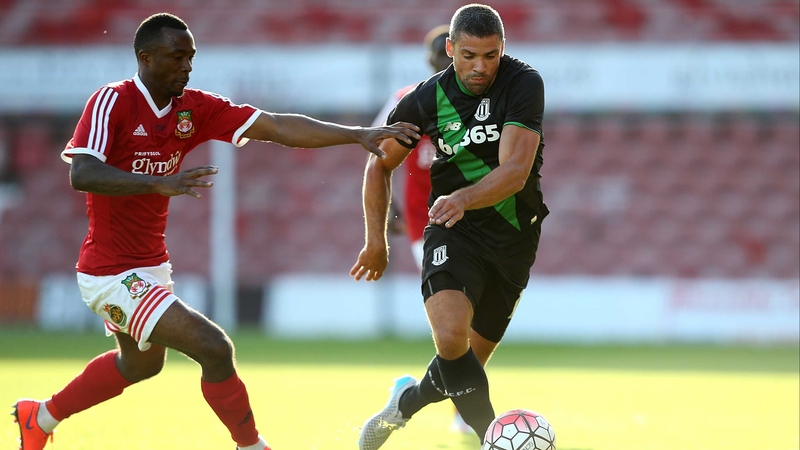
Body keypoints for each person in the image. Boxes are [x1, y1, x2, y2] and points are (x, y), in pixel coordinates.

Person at [12, 12, 419, 450]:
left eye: (191, 57)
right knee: (214, 347)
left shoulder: (194, 107)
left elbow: (277, 126)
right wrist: (158, 183)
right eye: (176, 57)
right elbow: (83, 172)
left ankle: (42, 416)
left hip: (150, 267)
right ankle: (252, 446)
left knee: (141, 365)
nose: (187, 67)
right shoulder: (112, 102)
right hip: (110, 273)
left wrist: (355, 134)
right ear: (145, 58)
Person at [350, 4, 547, 449]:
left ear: (503, 50)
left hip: (514, 233)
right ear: (450, 49)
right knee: (451, 336)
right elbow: (378, 166)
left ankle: (406, 402)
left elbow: (516, 170)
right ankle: (495, 439)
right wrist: (375, 239)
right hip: (449, 228)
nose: (480, 67)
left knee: (463, 363)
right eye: (469, 55)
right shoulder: (421, 99)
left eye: (491, 55)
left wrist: (463, 197)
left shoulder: (524, 83)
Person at [371, 24, 474, 435]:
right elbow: (376, 149)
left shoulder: (484, 102)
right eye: (441, 58)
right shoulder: (409, 100)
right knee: (460, 321)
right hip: (428, 226)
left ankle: (431, 400)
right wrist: (388, 209)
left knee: (473, 323)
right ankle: (462, 410)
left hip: (479, 222)